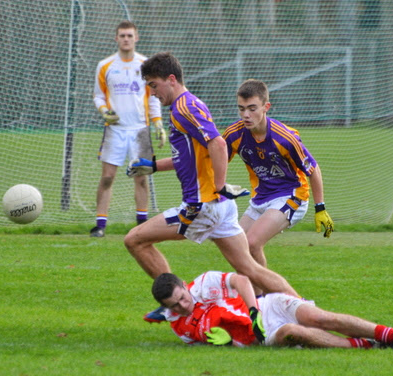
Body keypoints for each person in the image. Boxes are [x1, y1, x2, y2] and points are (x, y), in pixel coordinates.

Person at [124, 52, 299, 322]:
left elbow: (217, 144)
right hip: (220, 207)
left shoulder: (185, 107)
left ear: (171, 80)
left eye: (154, 85)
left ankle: (175, 299)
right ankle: (302, 308)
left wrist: (219, 186)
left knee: (135, 240)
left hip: (200, 206)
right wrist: (154, 165)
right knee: (250, 269)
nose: (153, 92)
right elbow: (191, 156)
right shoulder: (186, 105)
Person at [222, 79, 334, 282]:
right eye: (241, 109)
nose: (246, 115)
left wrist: (320, 208)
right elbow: (215, 160)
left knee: (252, 243)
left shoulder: (284, 138)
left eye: (252, 108)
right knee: (236, 248)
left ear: (266, 107)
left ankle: (265, 298)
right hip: (260, 198)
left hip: (292, 196)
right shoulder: (234, 134)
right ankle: (253, 302)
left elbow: (313, 169)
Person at [151, 270, 393, 350]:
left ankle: (392, 336)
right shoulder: (180, 326)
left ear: (184, 286)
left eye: (183, 298)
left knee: (319, 317)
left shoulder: (204, 282)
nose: (183, 306)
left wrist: (254, 312)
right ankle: (364, 345)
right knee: (293, 332)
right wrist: (227, 342)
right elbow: (209, 343)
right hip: (260, 337)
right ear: (165, 308)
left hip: (268, 305)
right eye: (174, 306)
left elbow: (242, 280)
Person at [91, 21, 167, 238]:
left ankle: (141, 225)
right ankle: (100, 225)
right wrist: (105, 111)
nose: (126, 39)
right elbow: (98, 95)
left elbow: (153, 97)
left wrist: (158, 124)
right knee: (107, 177)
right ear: (116, 38)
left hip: (140, 130)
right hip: (114, 130)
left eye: (129, 35)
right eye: (122, 35)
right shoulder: (105, 65)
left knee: (141, 177)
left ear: (137, 37)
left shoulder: (145, 65)